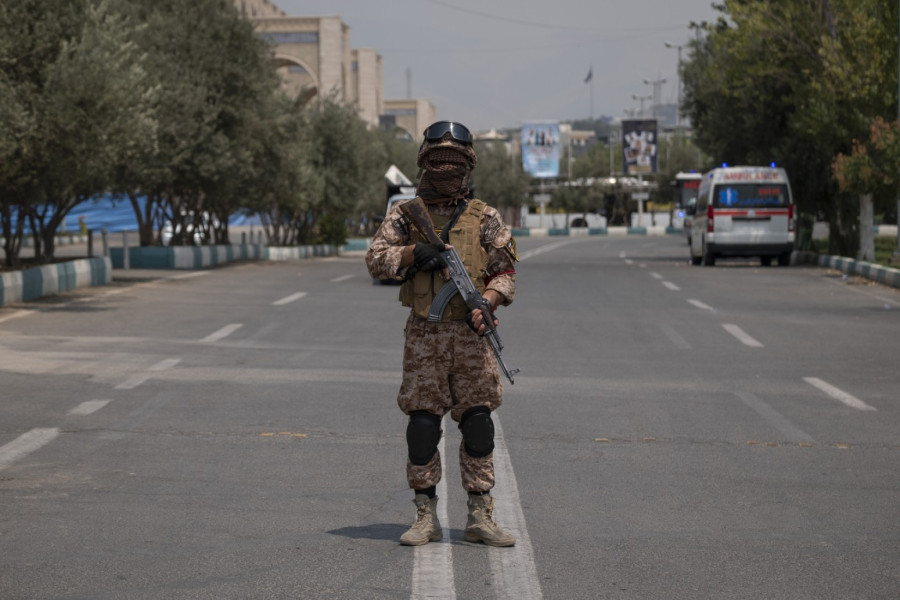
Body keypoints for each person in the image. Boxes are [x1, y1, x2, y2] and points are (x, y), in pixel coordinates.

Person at [365, 120, 519, 547]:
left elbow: (505, 272)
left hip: (471, 338)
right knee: (422, 425)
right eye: (438, 160)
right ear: (424, 163)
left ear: (468, 165)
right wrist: (416, 252)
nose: (446, 167)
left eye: (454, 160)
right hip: (424, 336)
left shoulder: (485, 217)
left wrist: (487, 301)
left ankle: (479, 515)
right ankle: (424, 514)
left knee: (477, 424)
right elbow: (376, 260)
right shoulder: (404, 215)